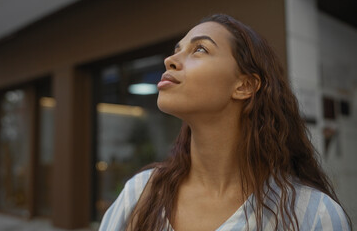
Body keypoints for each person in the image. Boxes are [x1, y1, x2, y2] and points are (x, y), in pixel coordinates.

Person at [99, 14, 352, 231]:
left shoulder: (313, 215)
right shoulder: (141, 193)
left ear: (244, 85)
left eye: (200, 49)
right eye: (177, 50)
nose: (170, 60)